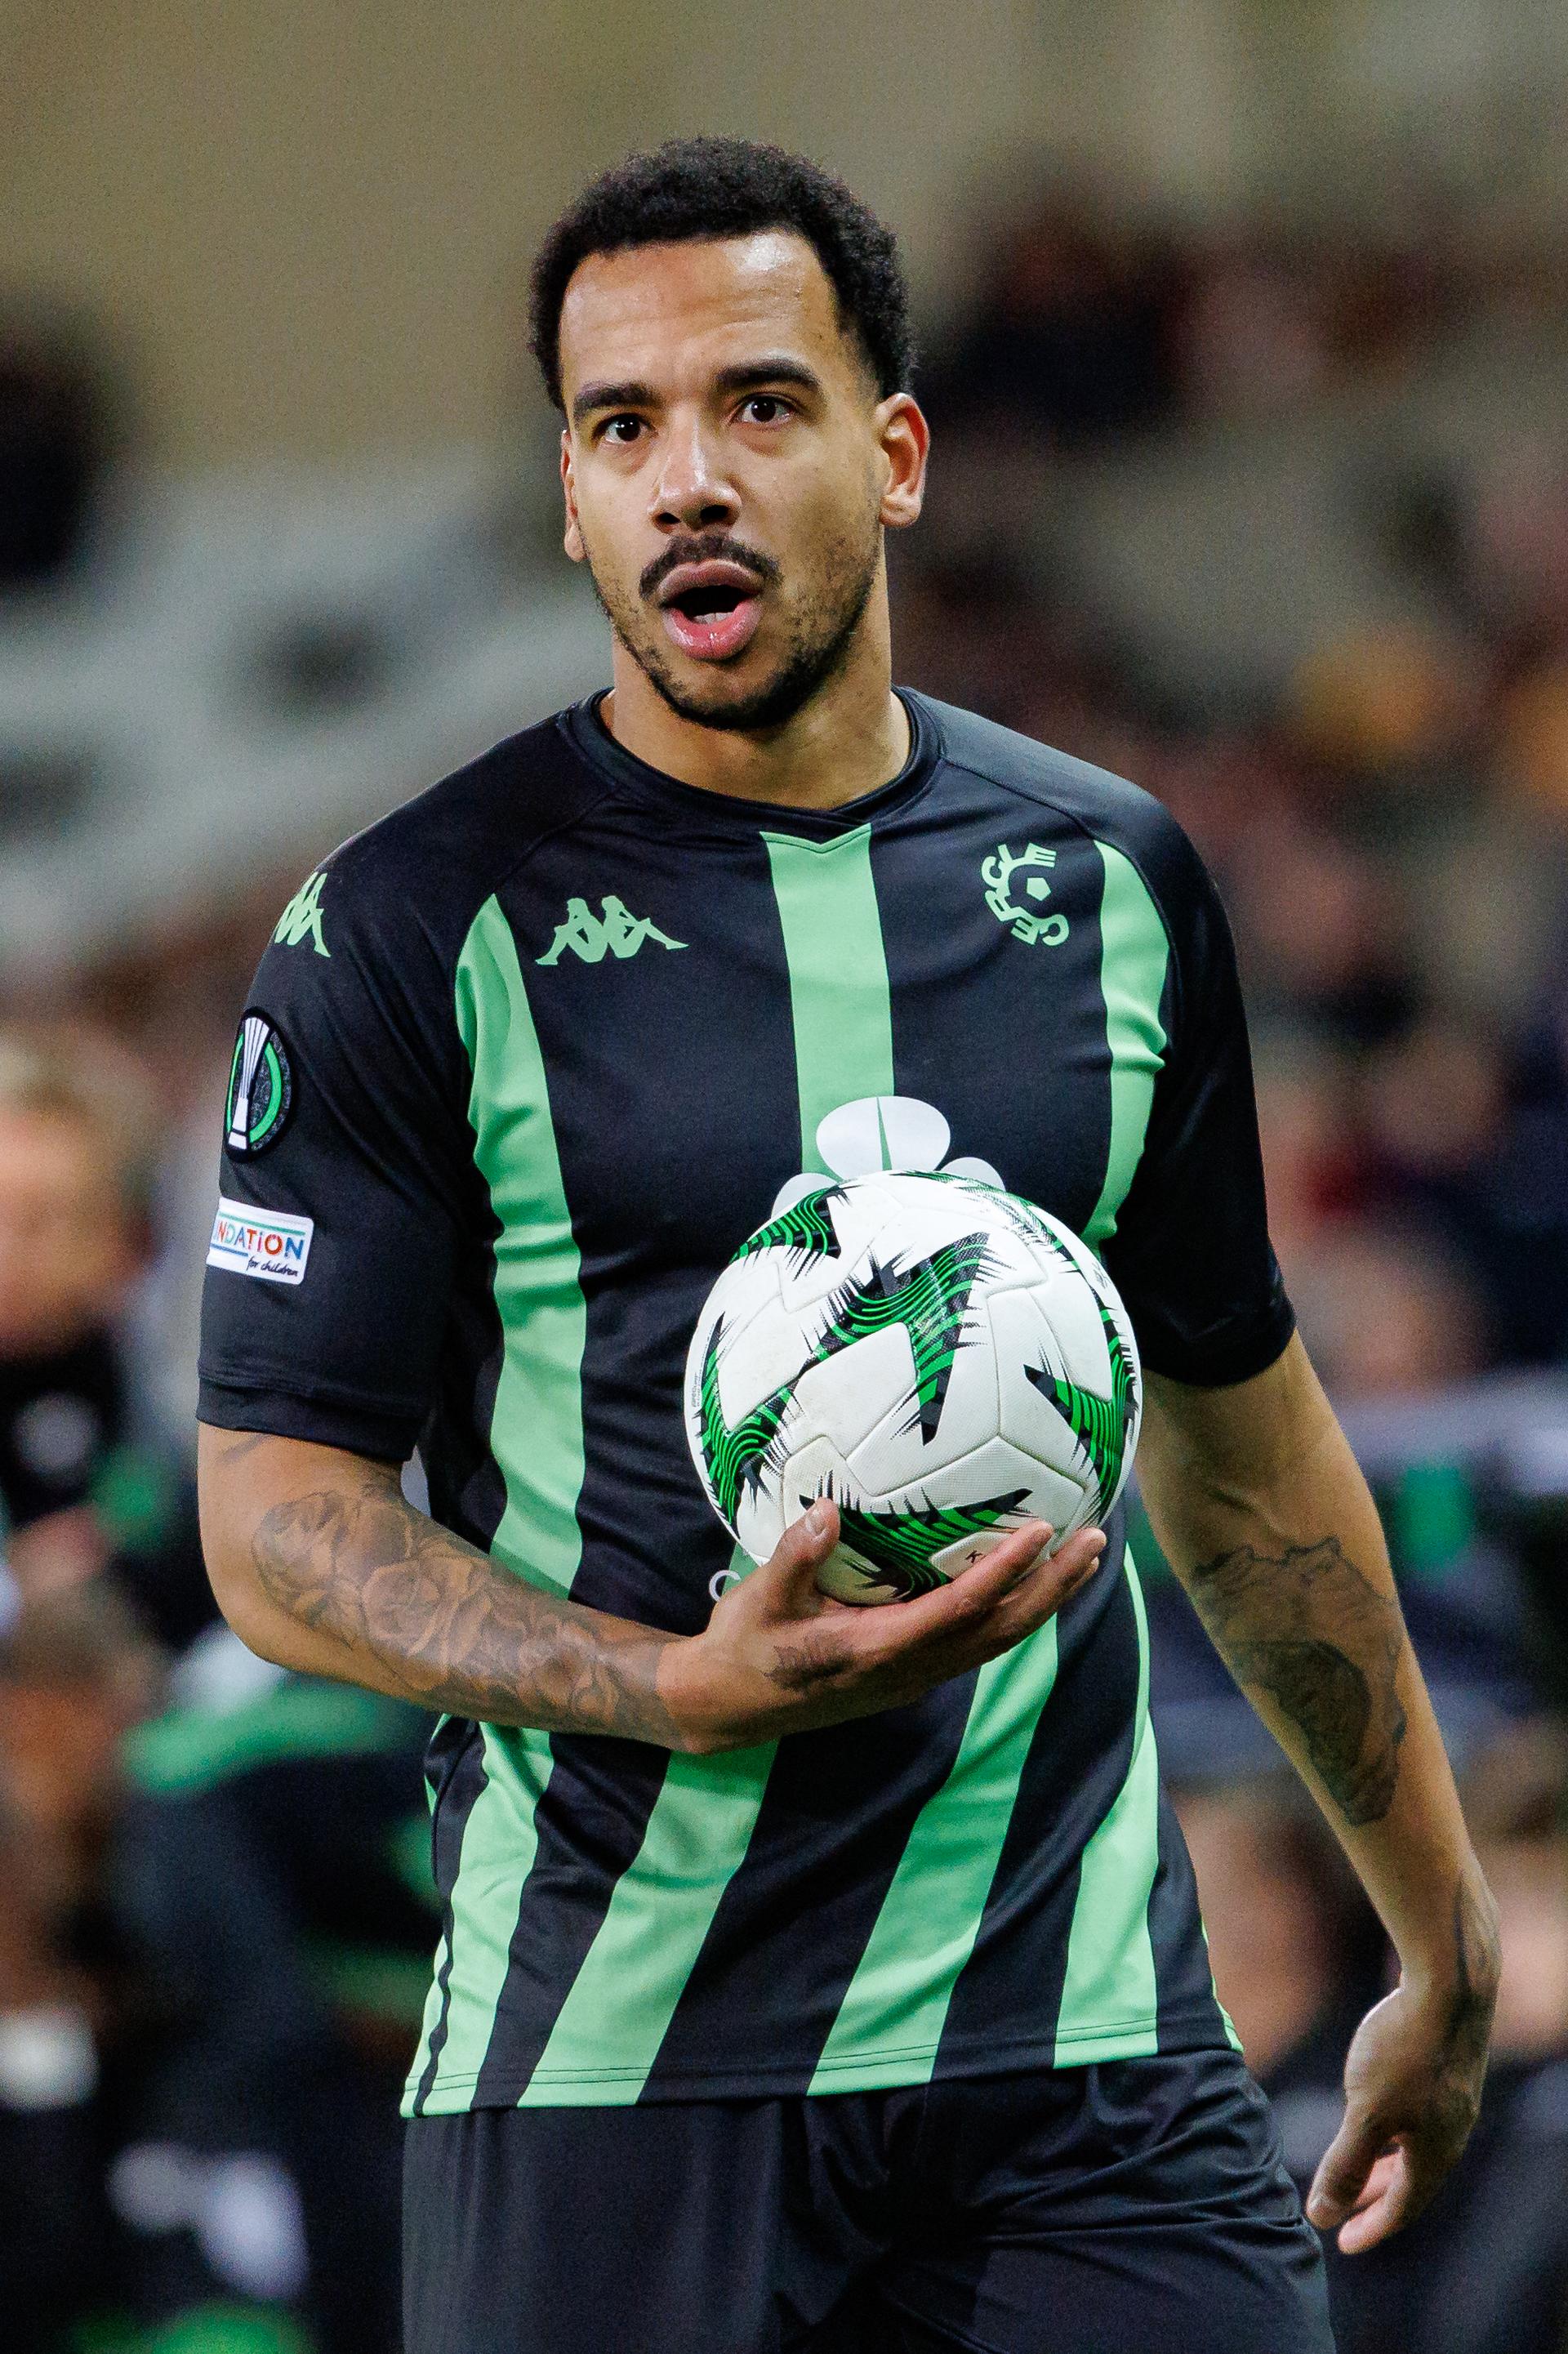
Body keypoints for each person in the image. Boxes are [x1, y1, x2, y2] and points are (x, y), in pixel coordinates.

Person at [195, 138, 1498, 2354]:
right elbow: (276, 1522)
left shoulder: (1112, 881)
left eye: (757, 405)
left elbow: (1239, 1428)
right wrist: (663, 1685)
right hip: (620, 2071)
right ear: (571, 501)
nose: (687, 476)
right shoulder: (414, 926)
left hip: (1084, 2058)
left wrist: (1438, 1930)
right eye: (623, 429)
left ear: (895, 454)